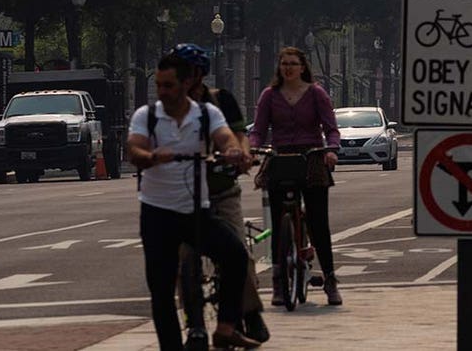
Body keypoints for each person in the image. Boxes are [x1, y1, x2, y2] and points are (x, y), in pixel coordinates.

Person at [127, 54, 260, 350]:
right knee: (161, 291)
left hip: (194, 212)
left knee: (235, 255)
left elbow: (225, 136)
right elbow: (134, 150)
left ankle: (226, 326)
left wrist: (233, 151)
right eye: (159, 85)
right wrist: (151, 157)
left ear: (187, 83)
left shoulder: (205, 114)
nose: (162, 91)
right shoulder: (146, 116)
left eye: (169, 85)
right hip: (157, 214)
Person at [171, 43, 268, 344]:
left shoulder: (220, 101)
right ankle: (194, 322)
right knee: (183, 260)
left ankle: (249, 314)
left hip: (222, 190)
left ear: (200, 74)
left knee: (239, 253)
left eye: (189, 71)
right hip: (183, 197)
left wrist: (239, 153)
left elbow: (237, 134)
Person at [249, 46, 342, 306]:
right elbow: (258, 130)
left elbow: (331, 129)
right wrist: (253, 148)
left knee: (318, 221)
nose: (288, 68)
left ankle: (331, 280)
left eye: (293, 63)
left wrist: (331, 151)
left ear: (303, 67)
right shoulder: (270, 95)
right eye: (284, 64)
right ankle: (279, 282)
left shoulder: (316, 94)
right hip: (280, 157)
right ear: (279, 68)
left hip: (311, 156)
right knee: (278, 221)